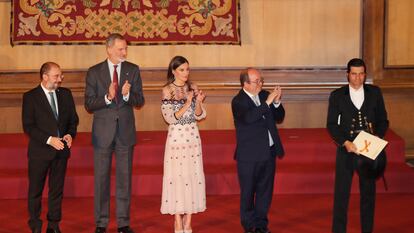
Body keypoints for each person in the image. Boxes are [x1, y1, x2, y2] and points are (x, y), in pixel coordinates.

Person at [84, 33, 144, 233]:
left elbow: (140, 100)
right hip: (103, 133)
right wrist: (108, 97)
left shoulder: (132, 70)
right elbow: (89, 104)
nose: (124, 52)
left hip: (125, 132)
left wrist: (127, 95)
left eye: (125, 48)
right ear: (109, 49)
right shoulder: (94, 72)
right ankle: (101, 224)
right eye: (120, 49)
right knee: (101, 179)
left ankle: (123, 223)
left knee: (124, 179)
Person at [327, 58, 389, 233]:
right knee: (341, 195)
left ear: (365, 74)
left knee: (368, 195)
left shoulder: (375, 93)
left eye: (361, 74)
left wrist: (377, 137)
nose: (357, 78)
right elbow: (331, 125)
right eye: (354, 74)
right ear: (347, 74)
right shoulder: (337, 95)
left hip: (368, 151)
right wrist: (345, 142)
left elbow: (383, 120)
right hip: (346, 149)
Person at [22, 62, 79, 233]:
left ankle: (53, 225)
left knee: (56, 191)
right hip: (40, 152)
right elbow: (28, 126)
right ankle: (35, 225)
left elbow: (73, 121)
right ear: (45, 76)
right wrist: (49, 139)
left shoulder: (66, 94)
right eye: (56, 76)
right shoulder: (31, 97)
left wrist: (70, 134)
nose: (60, 79)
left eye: (61, 76)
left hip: (61, 152)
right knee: (35, 191)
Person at [231, 68, 285, 233]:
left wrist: (276, 102)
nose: (261, 84)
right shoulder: (238, 101)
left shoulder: (264, 95)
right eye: (257, 81)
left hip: (268, 152)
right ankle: (249, 225)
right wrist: (268, 103)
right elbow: (249, 118)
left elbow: (279, 116)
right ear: (245, 84)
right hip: (249, 155)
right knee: (248, 192)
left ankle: (261, 225)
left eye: (261, 80)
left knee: (265, 191)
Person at [160, 56, 207, 233]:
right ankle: (177, 220)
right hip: (177, 139)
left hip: (193, 137)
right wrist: (187, 102)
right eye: (181, 70)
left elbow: (199, 115)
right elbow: (170, 118)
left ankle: (188, 220)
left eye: (187, 69)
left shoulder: (193, 88)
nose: (185, 73)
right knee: (178, 177)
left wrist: (199, 102)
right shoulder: (167, 90)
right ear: (173, 71)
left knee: (192, 176)